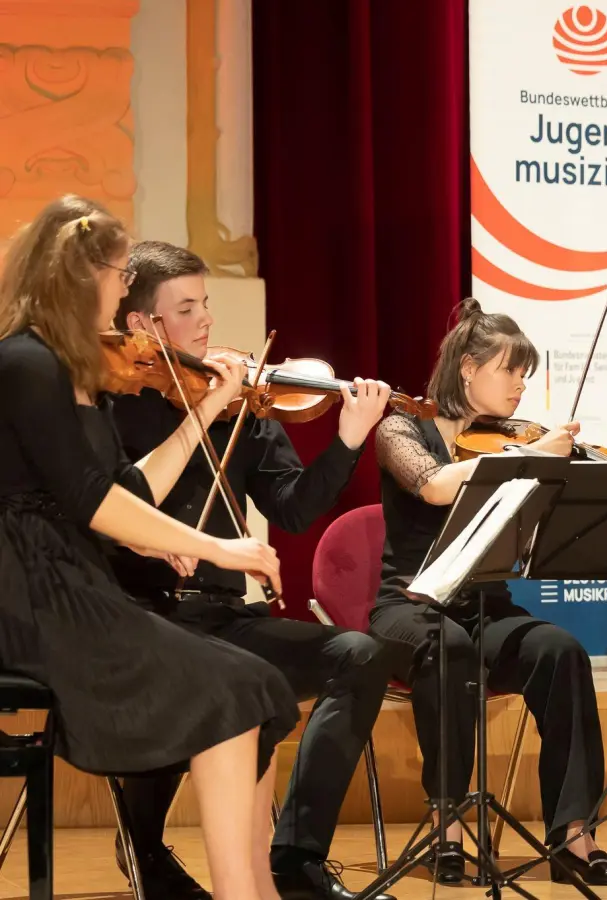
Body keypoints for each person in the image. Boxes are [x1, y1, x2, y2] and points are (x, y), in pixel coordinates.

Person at [0, 194, 300, 900]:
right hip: (35, 594)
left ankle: (254, 892)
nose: (122, 289)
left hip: (74, 579)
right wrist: (220, 548)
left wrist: (206, 410)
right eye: (118, 273)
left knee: (259, 686)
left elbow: (125, 489)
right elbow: (92, 504)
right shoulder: (24, 364)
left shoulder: (77, 371)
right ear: (84, 276)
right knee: (231, 688)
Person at [106, 240, 409, 900]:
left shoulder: (245, 404)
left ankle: (295, 851)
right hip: (140, 615)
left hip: (224, 614)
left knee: (358, 653)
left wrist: (350, 437)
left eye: (206, 303)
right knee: (217, 679)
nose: (208, 321)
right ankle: (147, 849)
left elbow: (295, 511)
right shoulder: (114, 401)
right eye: (187, 308)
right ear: (141, 324)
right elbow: (111, 508)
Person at [367, 298, 607, 887]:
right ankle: (449, 826)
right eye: (509, 370)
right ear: (467, 368)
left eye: (524, 374)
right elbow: (434, 487)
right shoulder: (401, 428)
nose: (519, 386)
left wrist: (599, 468)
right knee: (450, 648)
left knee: (559, 651)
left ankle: (572, 835)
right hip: (408, 609)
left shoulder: (508, 439)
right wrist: (528, 457)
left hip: (486, 607)